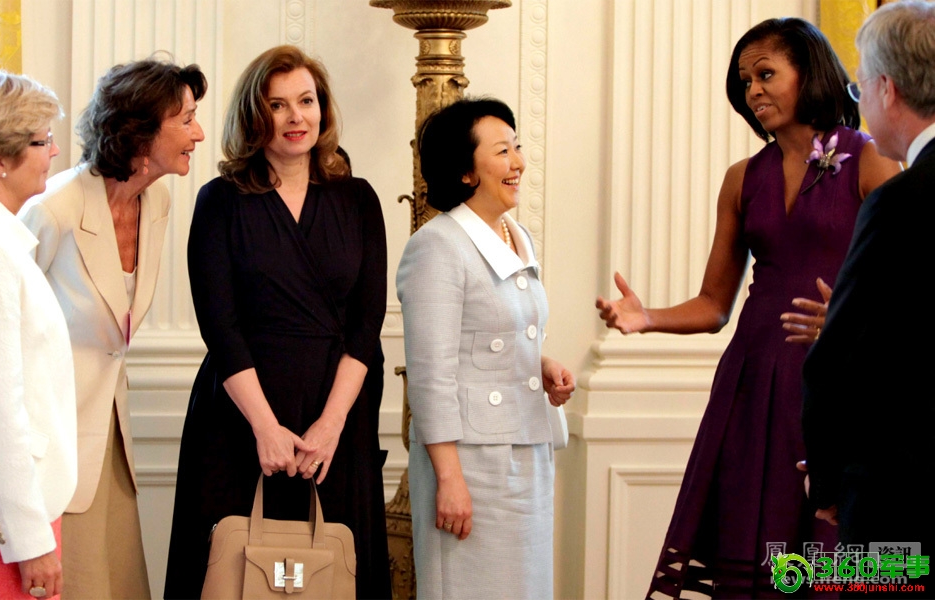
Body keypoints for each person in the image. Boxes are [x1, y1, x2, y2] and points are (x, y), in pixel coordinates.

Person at [594, 18, 902, 597]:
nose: (753, 90)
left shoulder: (870, 160)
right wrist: (647, 318)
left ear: (808, 73)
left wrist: (848, 323)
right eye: (745, 81)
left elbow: (910, 293)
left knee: (832, 561)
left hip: (834, 384)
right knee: (754, 555)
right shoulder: (742, 178)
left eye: (766, 74)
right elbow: (715, 304)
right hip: (752, 382)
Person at [163, 45, 391, 599]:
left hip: (336, 419)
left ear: (323, 108)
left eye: (306, 101)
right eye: (278, 104)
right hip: (241, 415)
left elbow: (367, 324)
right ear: (253, 114)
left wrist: (331, 425)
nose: (296, 117)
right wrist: (264, 427)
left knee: (335, 574)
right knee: (233, 573)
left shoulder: (359, 199)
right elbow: (220, 326)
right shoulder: (220, 200)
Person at [19, 59, 207, 599]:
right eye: (186, 119)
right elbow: (2, 332)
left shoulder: (158, 200)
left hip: (112, 437)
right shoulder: (52, 209)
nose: (197, 133)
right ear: (141, 132)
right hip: (51, 446)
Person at [397, 98, 576, 599]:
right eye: (502, 151)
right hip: (470, 466)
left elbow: (496, 336)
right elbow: (431, 375)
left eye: (516, 147)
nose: (518, 162)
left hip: (526, 452)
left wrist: (541, 364)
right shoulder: (436, 245)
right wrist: (449, 480)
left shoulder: (517, 236)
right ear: (466, 171)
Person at [803, 0, 935, 579]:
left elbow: (840, 355)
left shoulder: (900, 202)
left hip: (902, 492)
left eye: (859, 89)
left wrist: (827, 480)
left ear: (887, 88)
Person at [0, 71, 77, 599]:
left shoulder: (3, 240)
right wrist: (28, 540)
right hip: (11, 522)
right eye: (42, 141)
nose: (55, 151)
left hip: (24, 506)